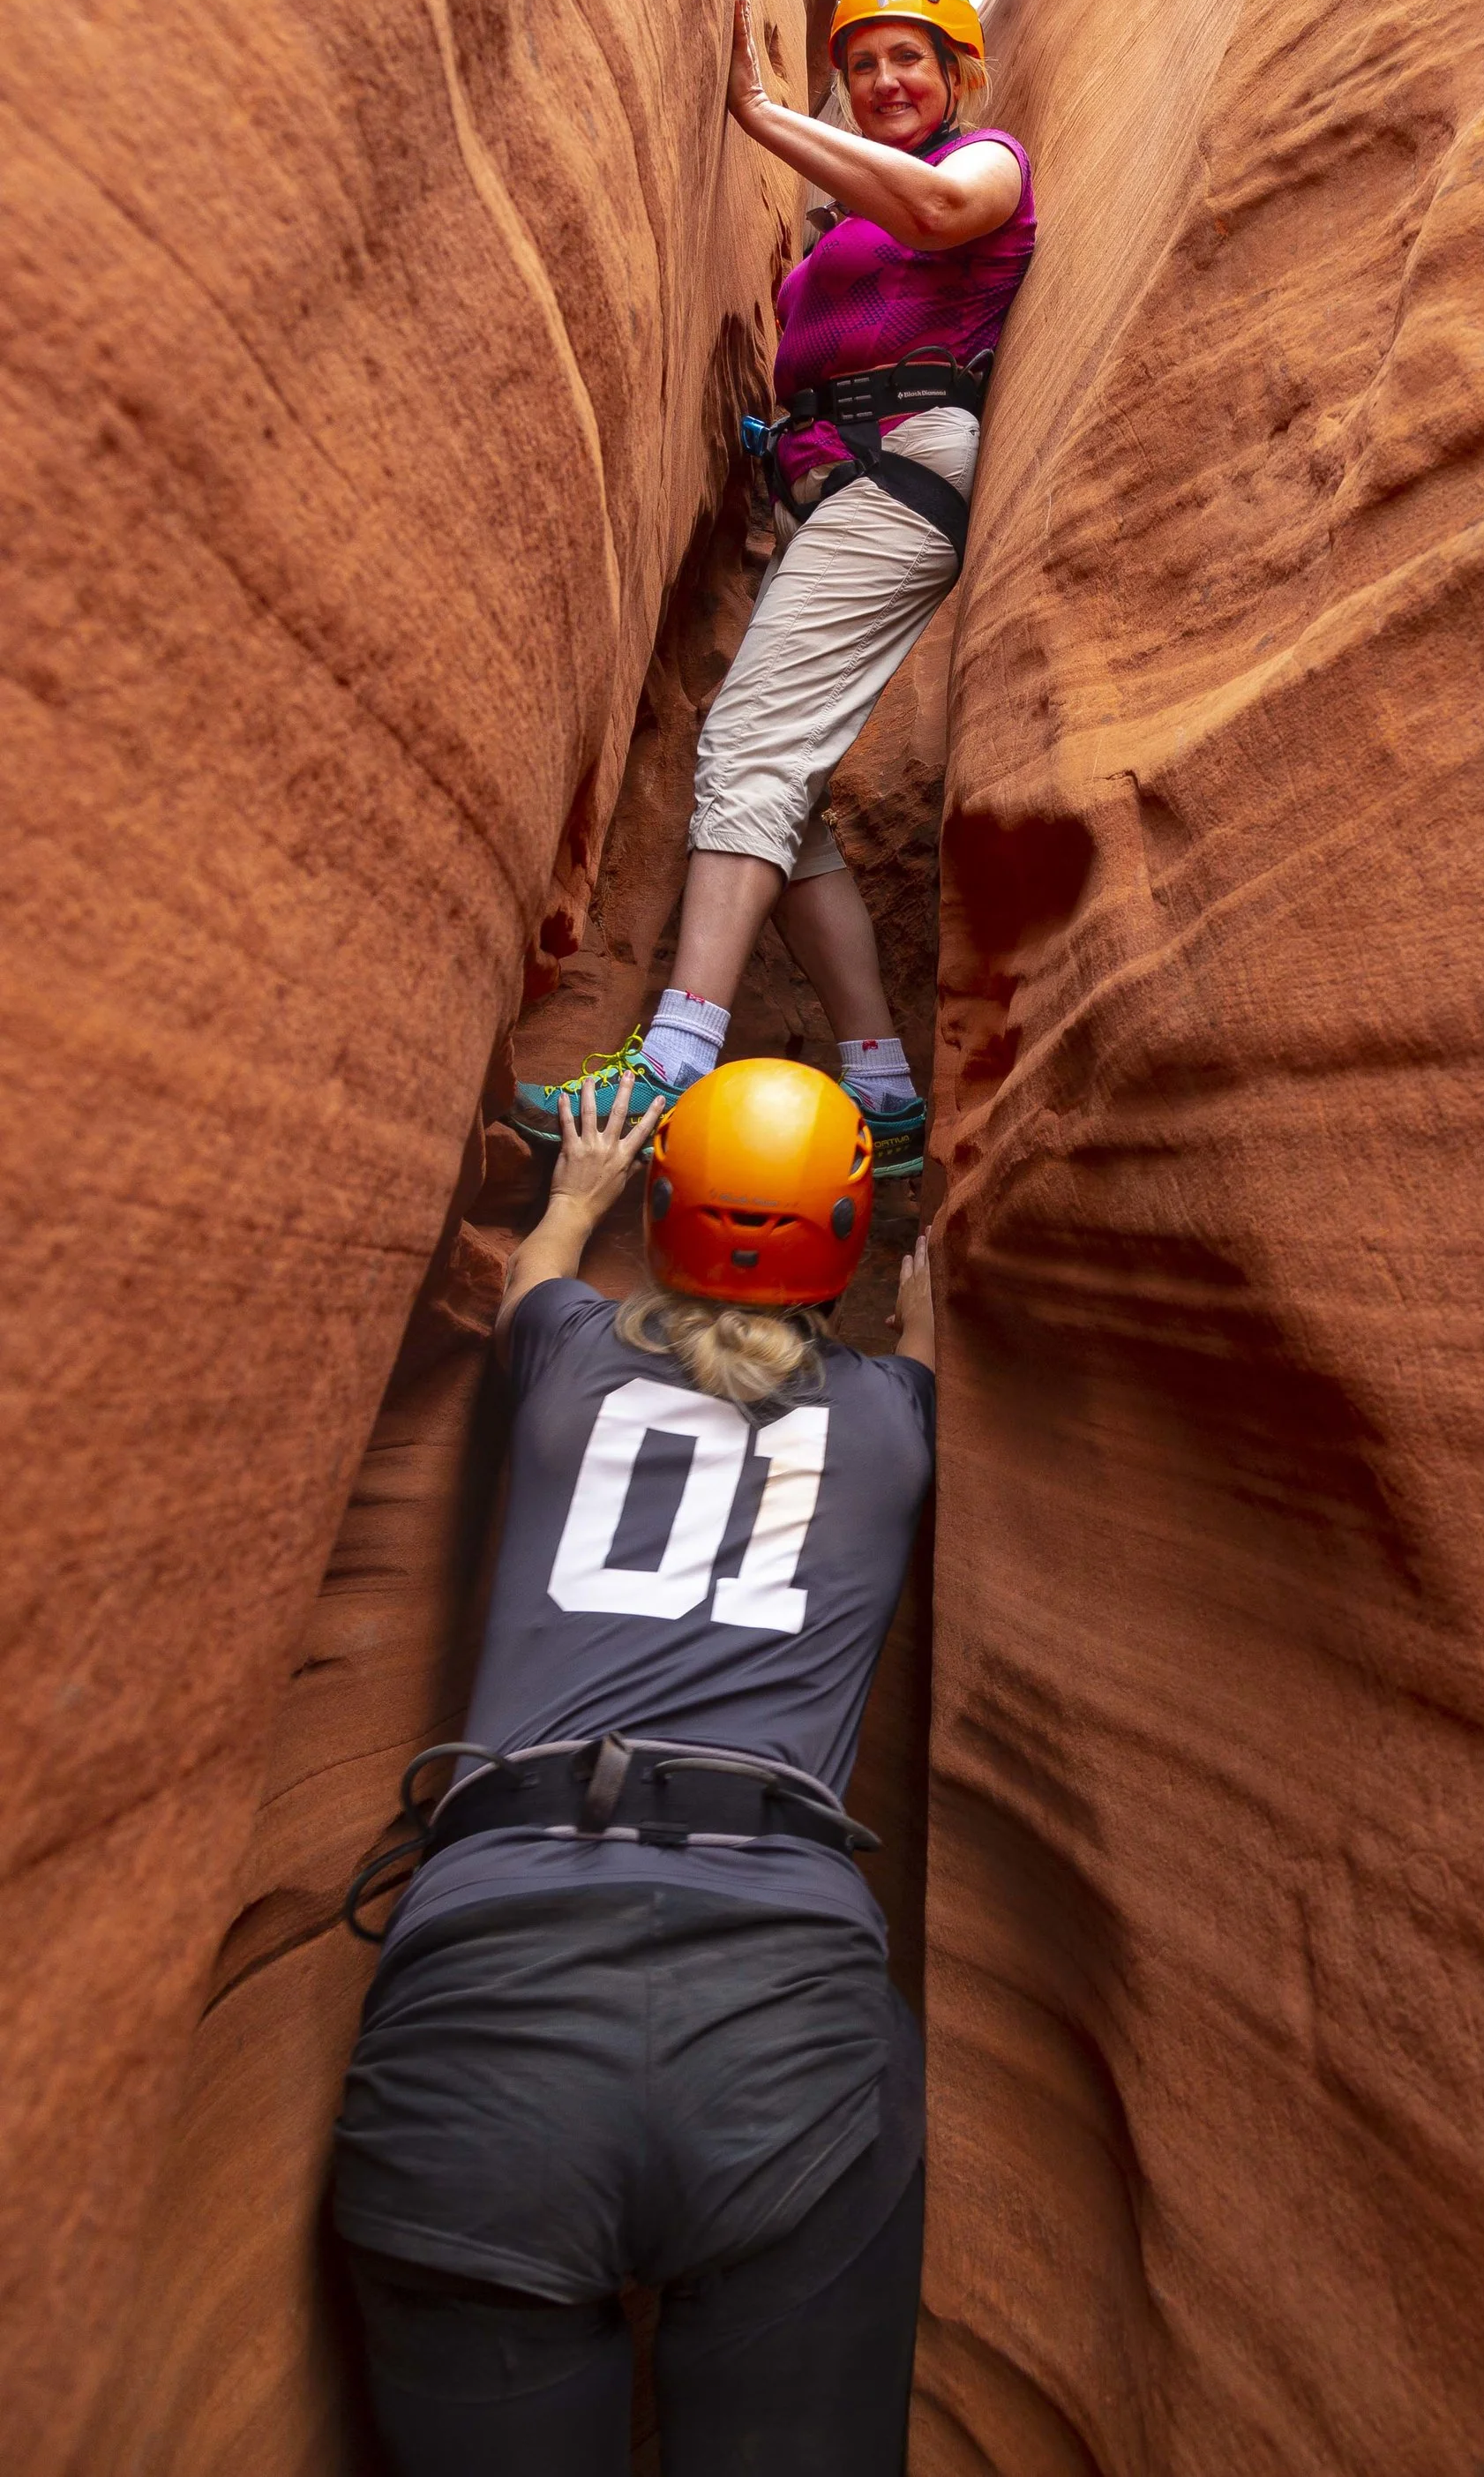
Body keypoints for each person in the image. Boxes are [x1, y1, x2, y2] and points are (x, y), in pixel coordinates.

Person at [334, 1057, 938, 2475]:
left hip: (487, 2019)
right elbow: (926, 1334)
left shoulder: (563, 1362)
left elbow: (537, 1277)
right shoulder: (893, 1427)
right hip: (781, 2019)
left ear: (662, 1213)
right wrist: (925, 1288)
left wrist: (579, 1190)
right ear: (847, 1240)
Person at [509, 0, 1038, 1173]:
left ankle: (670, 1066)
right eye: (864, 64)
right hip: (830, 490)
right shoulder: (844, 219)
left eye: (909, 59)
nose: (885, 80)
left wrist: (758, 114)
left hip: (897, 471)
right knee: (775, 789)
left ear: (955, 74)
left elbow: (945, 214)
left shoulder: (985, 159)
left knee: (748, 750)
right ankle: (883, 1092)